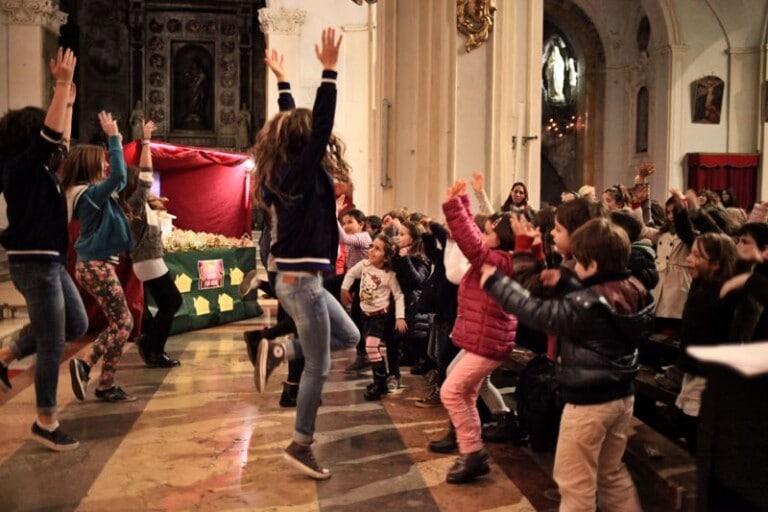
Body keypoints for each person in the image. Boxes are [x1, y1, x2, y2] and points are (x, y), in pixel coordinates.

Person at [481, 217, 653, 512]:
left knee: (574, 482)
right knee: (610, 474)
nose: (574, 268)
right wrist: (567, 281)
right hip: (621, 397)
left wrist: (497, 284)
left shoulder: (587, 304)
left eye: (579, 263)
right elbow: (598, 298)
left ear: (593, 265)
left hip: (588, 404)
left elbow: (538, 313)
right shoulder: (634, 286)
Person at [250, 31, 360, 480]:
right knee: (319, 365)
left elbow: (296, 125)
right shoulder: (296, 174)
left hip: (299, 281)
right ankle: (301, 443)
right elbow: (319, 129)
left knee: (349, 335)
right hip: (302, 284)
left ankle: (279, 348)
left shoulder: (286, 171)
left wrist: (282, 81)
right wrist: (328, 72)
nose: (321, 143)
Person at [0, 48, 88, 451]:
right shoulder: (19, 168)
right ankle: (45, 420)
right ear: (28, 138)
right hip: (35, 264)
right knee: (53, 342)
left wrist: (66, 103)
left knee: (77, 324)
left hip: (49, 262)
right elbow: (50, 138)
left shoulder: (40, 171)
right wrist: (61, 85)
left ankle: (9, 352)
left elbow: (59, 143)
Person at [436, 180, 543, 484]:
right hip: (483, 339)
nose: (483, 234)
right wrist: (463, 203)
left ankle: (472, 452)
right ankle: (472, 451)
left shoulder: (500, 261)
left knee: (451, 391)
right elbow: (473, 234)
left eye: (489, 231)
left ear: (502, 237)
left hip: (489, 342)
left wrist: (455, 206)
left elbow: (470, 240)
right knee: (464, 389)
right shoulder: (497, 257)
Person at [63, 111, 136, 403]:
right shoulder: (88, 195)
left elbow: (119, 182)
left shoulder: (87, 194)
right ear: (89, 165)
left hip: (93, 265)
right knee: (124, 323)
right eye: (102, 161)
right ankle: (97, 376)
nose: (106, 165)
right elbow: (118, 177)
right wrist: (114, 138)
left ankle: (93, 371)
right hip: (96, 266)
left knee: (120, 322)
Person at [119, 120, 182, 368]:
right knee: (172, 302)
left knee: (168, 303)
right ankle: (153, 349)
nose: (148, 184)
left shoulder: (137, 205)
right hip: (148, 260)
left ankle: (150, 343)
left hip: (148, 260)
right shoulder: (134, 203)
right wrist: (146, 142)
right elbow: (146, 173)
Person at [341, 234, 406, 400]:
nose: (372, 251)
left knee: (371, 347)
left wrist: (400, 317)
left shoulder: (389, 274)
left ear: (386, 257)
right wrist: (344, 289)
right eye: (372, 246)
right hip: (365, 315)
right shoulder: (364, 265)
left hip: (380, 317)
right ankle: (380, 381)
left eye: (378, 249)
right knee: (372, 349)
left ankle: (380, 383)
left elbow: (398, 295)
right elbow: (350, 274)